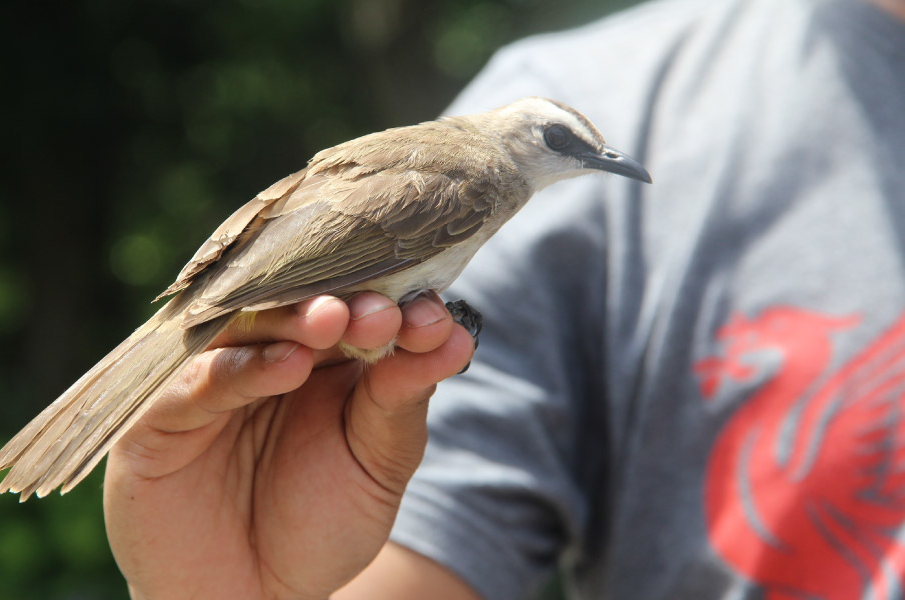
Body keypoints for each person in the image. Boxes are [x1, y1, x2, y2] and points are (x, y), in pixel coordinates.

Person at [102, 0, 905, 597]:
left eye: (589, 154)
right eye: (566, 147)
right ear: (525, 135)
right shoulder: (485, 173)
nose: (582, 163)